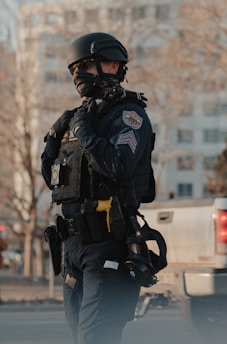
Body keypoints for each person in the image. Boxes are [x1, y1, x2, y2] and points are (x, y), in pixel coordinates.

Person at [41, 32, 156, 344]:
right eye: (74, 68)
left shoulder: (128, 116)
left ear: (111, 66)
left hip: (108, 245)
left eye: (86, 66)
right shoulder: (81, 118)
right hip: (73, 249)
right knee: (81, 336)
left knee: (96, 338)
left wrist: (82, 130)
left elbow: (118, 165)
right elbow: (55, 181)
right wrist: (54, 141)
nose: (79, 74)